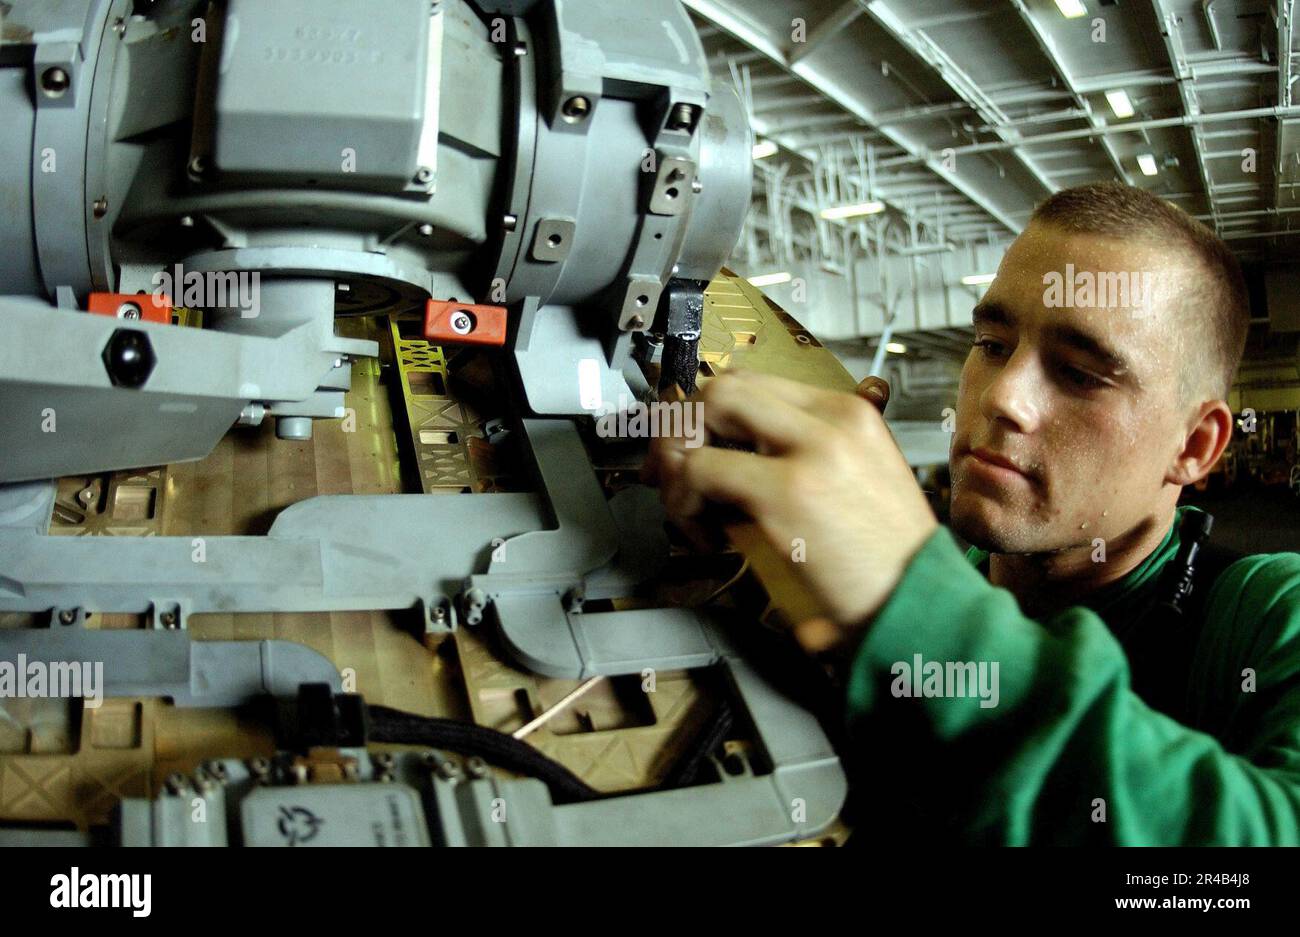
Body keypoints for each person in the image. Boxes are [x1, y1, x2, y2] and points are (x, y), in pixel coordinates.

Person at [644, 182, 1300, 844]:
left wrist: (909, 604)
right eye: (992, 343)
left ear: (1194, 446)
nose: (1002, 397)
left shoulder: (1271, 613)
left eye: (1078, 372)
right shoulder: (905, 587)